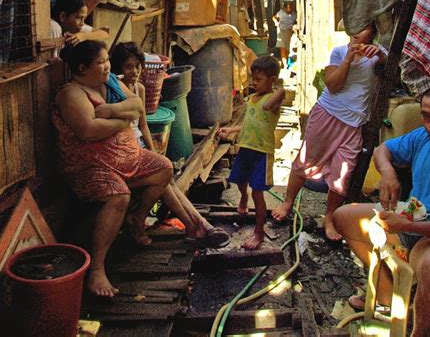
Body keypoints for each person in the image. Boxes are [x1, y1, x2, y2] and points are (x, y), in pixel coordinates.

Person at [52, 40, 173, 298]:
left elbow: (138, 106)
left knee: (163, 168)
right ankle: (97, 269)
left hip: (126, 159)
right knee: (119, 195)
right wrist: (122, 121)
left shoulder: (109, 84)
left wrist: (110, 110)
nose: (107, 66)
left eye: (107, 60)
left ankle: (136, 218)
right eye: (101, 62)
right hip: (90, 167)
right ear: (83, 68)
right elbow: (87, 130)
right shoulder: (72, 93)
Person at [333, 87, 430, 337]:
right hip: (414, 216)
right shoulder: (423, 136)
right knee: (343, 217)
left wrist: (406, 227)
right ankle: (390, 299)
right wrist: (388, 173)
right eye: (426, 116)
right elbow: (383, 150)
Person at [272, 23, 387, 240]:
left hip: (354, 124)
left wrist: (380, 55)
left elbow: (391, 69)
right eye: (355, 26)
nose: (357, 33)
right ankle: (287, 202)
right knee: (307, 160)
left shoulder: (376, 55)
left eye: (363, 28)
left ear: (371, 33)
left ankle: (330, 218)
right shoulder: (339, 52)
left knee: (342, 173)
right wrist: (348, 61)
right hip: (327, 115)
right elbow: (332, 85)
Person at [109, 42, 230, 248]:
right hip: (125, 151)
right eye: (129, 67)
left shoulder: (139, 88)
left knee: (167, 177)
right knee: (164, 179)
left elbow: (144, 125)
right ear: (118, 68)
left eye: (138, 66)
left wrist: (153, 150)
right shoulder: (115, 93)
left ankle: (199, 225)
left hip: (139, 147)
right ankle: (195, 225)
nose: (135, 72)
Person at [219, 55, 285, 250]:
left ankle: (258, 231)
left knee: (258, 193)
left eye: (259, 79)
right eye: (253, 79)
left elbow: (267, 106)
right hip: (245, 148)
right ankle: (242, 197)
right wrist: (231, 130)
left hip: (261, 153)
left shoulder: (272, 101)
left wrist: (280, 88)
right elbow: (249, 122)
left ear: (272, 80)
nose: (254, 83)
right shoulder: (252, 99)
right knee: (239, 180)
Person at [274, 0, 297, 66]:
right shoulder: (280, 13)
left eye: (290, 7)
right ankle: (285, 64)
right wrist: (276, 22)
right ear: (284, 8)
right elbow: (274, 17)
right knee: (282, 48)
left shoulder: (294, 14)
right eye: (287, 8)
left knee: (288, 48)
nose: (289, 9)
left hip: (290, 33)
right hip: (281, 32)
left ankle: (288, 62)